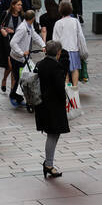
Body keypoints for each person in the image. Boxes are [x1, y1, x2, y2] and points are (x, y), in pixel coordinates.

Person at [31, 41, 70, 180]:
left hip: (41, 104)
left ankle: (49, 163)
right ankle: (48, 164)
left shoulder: (40, 64)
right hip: (54, 106)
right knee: (53, 134)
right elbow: (60, 88)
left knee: (52, 133)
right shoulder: (56, 67)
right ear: (58, 52)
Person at [51, 2, 88, 89]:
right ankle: (75, 88)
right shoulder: (75, 21)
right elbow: (80, 36)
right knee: (75, 70)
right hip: (74, 49)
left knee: (65, 71)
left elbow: (55, 39)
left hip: (63, 51)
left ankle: (67, 88)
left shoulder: (58, 23)